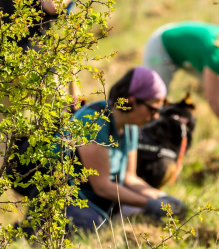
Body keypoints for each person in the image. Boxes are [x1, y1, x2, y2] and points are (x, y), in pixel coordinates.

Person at [65, 67, 187, 230]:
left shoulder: (130, 128)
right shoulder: (93, 122)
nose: (156, 116)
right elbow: (102, 186)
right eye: (152, 109)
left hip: (99, 199)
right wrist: (149, 203)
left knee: (147, 218)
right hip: (67, 195)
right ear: (131, 101)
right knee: (93, 227)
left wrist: (162, 199)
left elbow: (129, 178)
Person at [142, 21, 219, 146]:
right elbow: (213, 100)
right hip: (162, 45)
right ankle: (146, 136)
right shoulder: (215, 54)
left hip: (187, 48)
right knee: (156, 97)